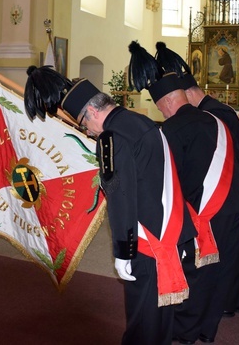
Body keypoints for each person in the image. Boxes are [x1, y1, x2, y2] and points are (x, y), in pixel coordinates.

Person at [24, 66, 195, 345]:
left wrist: (123, 251)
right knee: (161, 311)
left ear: (92, 112)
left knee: (143, 317)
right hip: (171, 228)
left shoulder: (111, 138)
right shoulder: (140, 122)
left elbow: (121, 197)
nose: (88, 131)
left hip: (147, 239)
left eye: (83, 124)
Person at [129, 41, 239, 344]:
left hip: (210, 211)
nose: (161, 111)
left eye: (160, 106)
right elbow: (234, 158)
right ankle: (207, 330)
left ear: (167, 103)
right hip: (236, 204)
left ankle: (185, 332)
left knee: (198, 273)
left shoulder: (171, 130)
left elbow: (171, 177)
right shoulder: (215, 118)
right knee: (220, 273)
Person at [158, 42, 239, 319]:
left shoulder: (210, 116)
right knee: (236, 256)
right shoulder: (222, 110)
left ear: (187, 94)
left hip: (224, 193)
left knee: (222, 257)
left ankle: (219, 306)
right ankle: (229, 303)